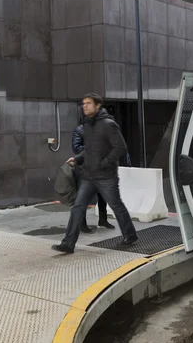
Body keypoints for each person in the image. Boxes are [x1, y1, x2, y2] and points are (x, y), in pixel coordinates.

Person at [52, 93, 138, 253]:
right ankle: (68, 244)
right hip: (88, 176)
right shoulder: (88, 126)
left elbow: (121, 147)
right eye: (83, 103)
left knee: (116, 205)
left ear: (98, 106)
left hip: (106, 176)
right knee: (78, 207)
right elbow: (89, 150)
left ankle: (130, 234)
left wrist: (104, 163)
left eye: (88, 103)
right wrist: (77, 159)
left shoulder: (108, 124)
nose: (85, 106)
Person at [71, 121, 116, 231]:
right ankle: (81, 223)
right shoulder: (79, 130)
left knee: (103, 195)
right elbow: (76, 148)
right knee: (83, 197)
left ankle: (103, 220)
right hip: (85, 168)